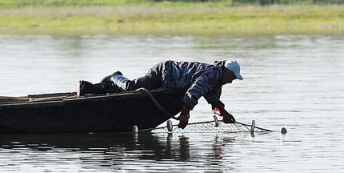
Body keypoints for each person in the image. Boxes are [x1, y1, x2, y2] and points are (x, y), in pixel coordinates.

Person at [77, 60, 243, 129]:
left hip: (170, 80)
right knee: (132, 87)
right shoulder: (210, 75)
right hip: (164, 71)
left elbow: (213, 100)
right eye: (232, 77)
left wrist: (224, 114)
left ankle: (90, 88)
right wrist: (185, 114)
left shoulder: (216, 80)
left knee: (134, 93)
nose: (232, 81)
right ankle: (115, 76)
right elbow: (194, 93)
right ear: (226, 72)